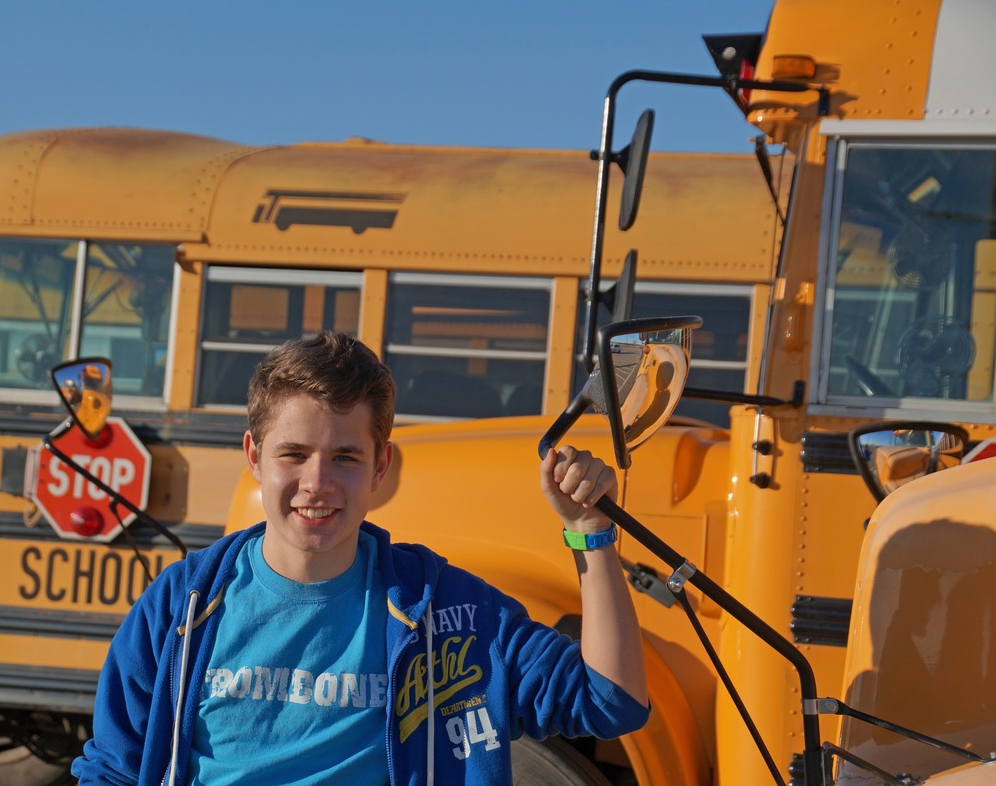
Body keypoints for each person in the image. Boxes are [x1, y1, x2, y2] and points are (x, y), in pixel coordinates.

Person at [72, 331, 649, 785]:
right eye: (293, 454)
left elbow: (611, 702)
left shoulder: (452, 615)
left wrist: (590, 533)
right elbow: (114, 770)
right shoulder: (183, 606)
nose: (316, 483)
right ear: (254, 456)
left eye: (345, 457)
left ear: (381, 467)